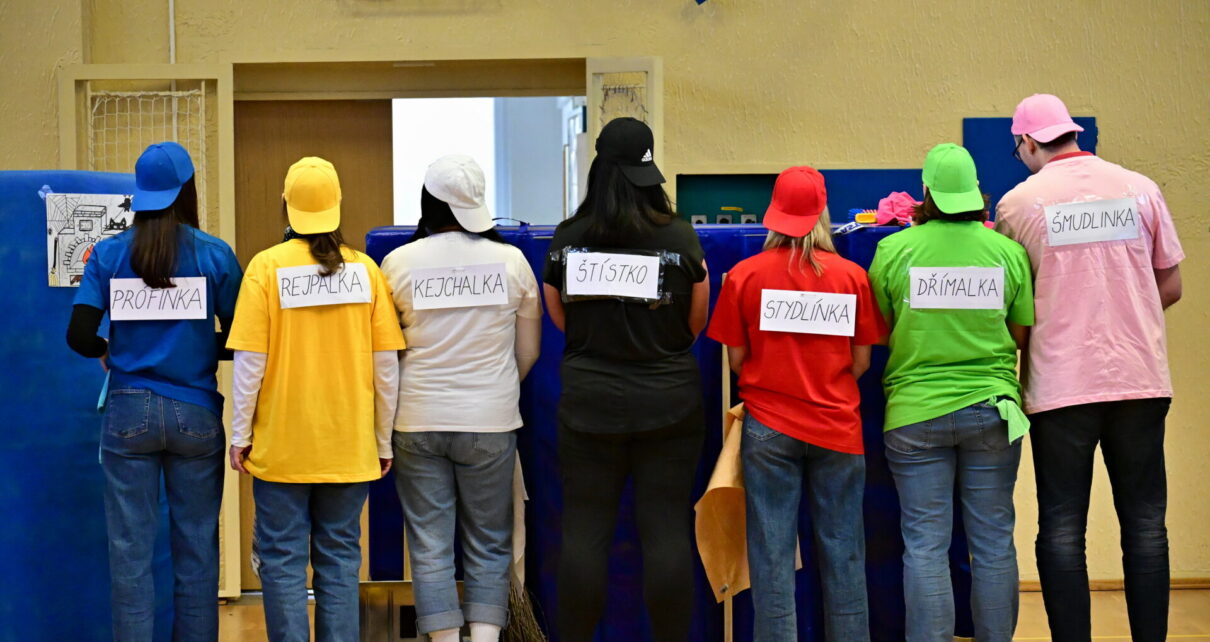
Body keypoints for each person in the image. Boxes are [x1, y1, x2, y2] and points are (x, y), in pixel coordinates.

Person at [996, 94, 1184, 642]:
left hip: (1060, 386)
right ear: (1071, 133)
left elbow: (1011, 304)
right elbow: (1171, 284)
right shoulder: (1140, 188)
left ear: (1027, 142)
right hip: (1139, 379)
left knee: (1061, 528)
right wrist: (1129, 310)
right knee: (1146, 525)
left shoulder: (1018, 204)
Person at [67, 141, 243, 641]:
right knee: (197, 552)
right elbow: (242, 337)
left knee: (130, 555)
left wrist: (108, 347)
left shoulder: (108, 253)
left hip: (127, 416)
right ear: (187, 190)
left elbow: (78, 336)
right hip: (196, 415)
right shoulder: (214, 254)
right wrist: (197, 343)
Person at [542, 117, 709, 642]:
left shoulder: (567, 239)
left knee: (584, 534)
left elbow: (561, 318)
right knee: (666, 532)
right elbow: (695, 322)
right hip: (669, 404)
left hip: (589, 403)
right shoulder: (680, 236)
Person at [226, 156, 406, 641]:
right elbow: (386, 369)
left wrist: (240, 434)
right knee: (341, 557)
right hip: (348, 447)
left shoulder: (265, 268)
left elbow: (249, 365)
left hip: (282, 447)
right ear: (337, 204)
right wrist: (382, 440)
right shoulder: (366, 271)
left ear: (286, 204)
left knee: (281, 560)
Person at [707, 166, 884, 642]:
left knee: (771, 557)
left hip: (768, 429)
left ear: (774, 213)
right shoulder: (852, 277)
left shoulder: (744, 276)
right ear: (823, 214)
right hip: (838, 428)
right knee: (844, 553)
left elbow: (736, 361)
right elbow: (861, 361)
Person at [868, 144, 1034, 642]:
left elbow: (879, 331)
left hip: (914, 413)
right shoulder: (1007, 252)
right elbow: (1020, 334)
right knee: (993, 543)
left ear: (926, 192)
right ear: (975, 193)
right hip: (993, 411)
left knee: (925, 546)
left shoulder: (895, 250)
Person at [378, 155, 542, 642]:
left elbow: (384, 352)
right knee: (489, 541)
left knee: (429, 545)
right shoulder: (512, 262)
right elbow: (528, 351)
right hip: (490, 421)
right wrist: (496, 386)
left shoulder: (398, 263)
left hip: (416, 419)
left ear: (428, 202)